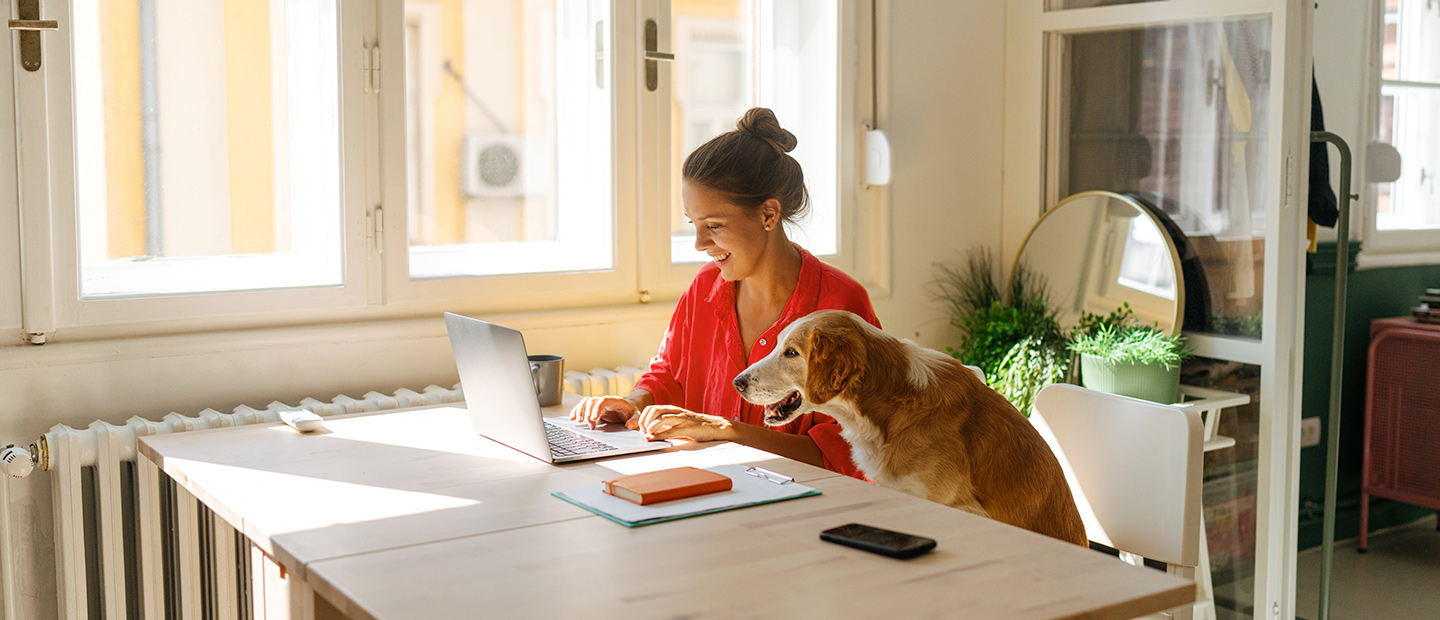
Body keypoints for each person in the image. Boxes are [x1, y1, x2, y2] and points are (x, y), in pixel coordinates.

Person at [568, 108, 879, 479]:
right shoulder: (704, 287)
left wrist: (726, 433)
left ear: (768, 214)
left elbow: (844, 455)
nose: (700, 243)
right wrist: (632, 403)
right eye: (694, 225)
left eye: (713, 225)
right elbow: (669, 375)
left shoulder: (841, 305)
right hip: (709, 488)